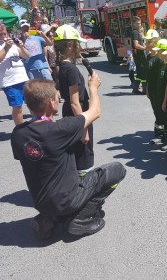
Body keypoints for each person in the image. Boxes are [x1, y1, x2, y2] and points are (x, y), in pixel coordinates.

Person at [11, 78, 126, 239]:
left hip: (41, 203)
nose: (59, 100)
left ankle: (50, 218)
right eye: (58, 97)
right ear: (51, 103)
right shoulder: (60, 129)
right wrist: (93, 88)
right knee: (117, 170)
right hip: (67, 200)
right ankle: (80, 218)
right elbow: (95, 112)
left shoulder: (18, 134)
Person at [54, 24, 94, 174]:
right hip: (78, 115)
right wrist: (83, 129)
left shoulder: (62, 66)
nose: (80, 47)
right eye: (77, 43)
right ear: (70, 45)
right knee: (84, 154)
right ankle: (86, 187)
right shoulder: (71, 69)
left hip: (70, 114)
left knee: (75, 153)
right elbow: (75, 102)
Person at [0, 24, 30, 125]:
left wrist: (21, 47)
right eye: (1, 34)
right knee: (18, 107)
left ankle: (37, 125)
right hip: (10, 82)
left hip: (23, 78)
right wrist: (6, 48)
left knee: (33, 103)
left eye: (5, 33)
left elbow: (26, 56)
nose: (4, 36)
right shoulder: (5, 46)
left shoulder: (13, 44)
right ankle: (20, 130)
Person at [150, 38, 167, 144]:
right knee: (160, 116)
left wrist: (165, 100)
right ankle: (162, 136)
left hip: (164, 97)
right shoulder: (160, 64)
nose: (158, 53)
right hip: (159, 95)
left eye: (160, 51)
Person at [131, 16, 146, 94]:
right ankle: (144, 90)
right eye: (137, 23)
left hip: (138, 55)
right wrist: (144, 48)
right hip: (139, 55)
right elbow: (136, 45)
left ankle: (135, 89)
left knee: (140, 73)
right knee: (142, 71)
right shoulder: (135, 32)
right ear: (133, 23)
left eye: (140, 23)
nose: (139, 25)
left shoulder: (137, 32)